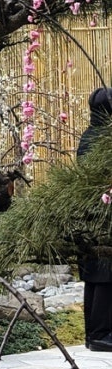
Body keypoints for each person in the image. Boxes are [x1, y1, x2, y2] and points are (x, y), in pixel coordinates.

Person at [77, 86, 112, 352]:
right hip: (100, 215)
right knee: (103, 274)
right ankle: (100, 334)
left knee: (96, 275)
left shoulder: (89, 136)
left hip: (89, 215)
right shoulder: (100, 141)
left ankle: (94, 334)